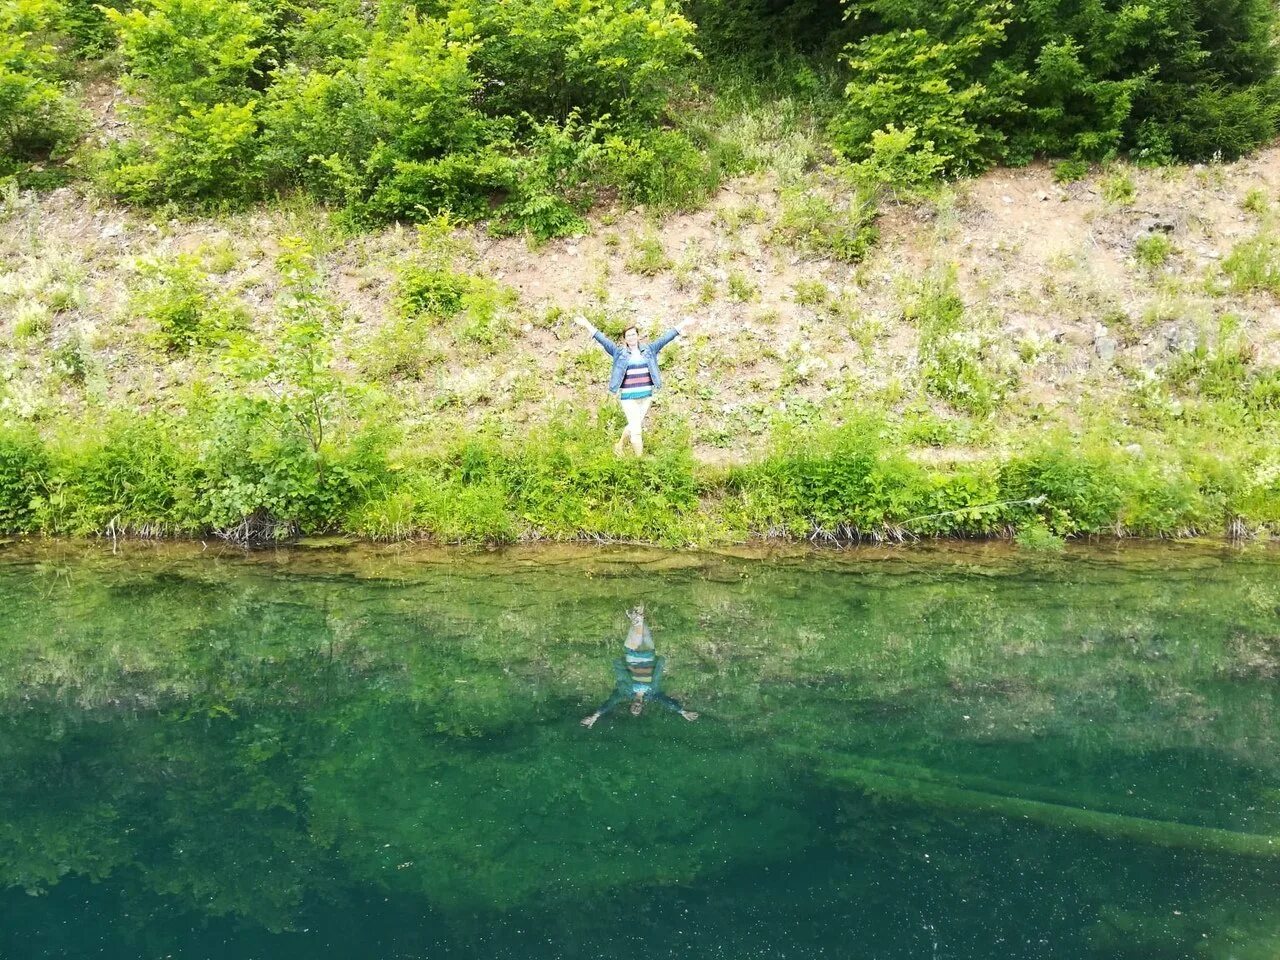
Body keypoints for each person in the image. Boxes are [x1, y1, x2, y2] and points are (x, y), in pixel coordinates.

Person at [571, 313, 699, 456]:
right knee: (637, 431)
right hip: (629, 398)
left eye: (633, 335)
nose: (631, 337)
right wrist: (587, 324)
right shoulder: (619, 352)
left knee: (633, 425)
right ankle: (639, 462)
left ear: (638, 336)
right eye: (628, 336)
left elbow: (666, 338)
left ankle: (619, 446)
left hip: (646, 397)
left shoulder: (650, 350)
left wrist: (684, 323)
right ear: (625, 339)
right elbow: (603, 339)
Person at [581, 604, 699, 728]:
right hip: (649, 654)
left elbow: (610, 702)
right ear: (642, 707)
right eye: (638, 710)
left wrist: (595, 715)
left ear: (631, 705)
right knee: (641, 625)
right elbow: (666, 702)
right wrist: (682, 711)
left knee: (638, 626)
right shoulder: (653, 693)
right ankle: (638, 607)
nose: (636, 709)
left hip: (632, 655)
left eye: (633, 709)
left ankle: (636, 615)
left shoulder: (624, 692)